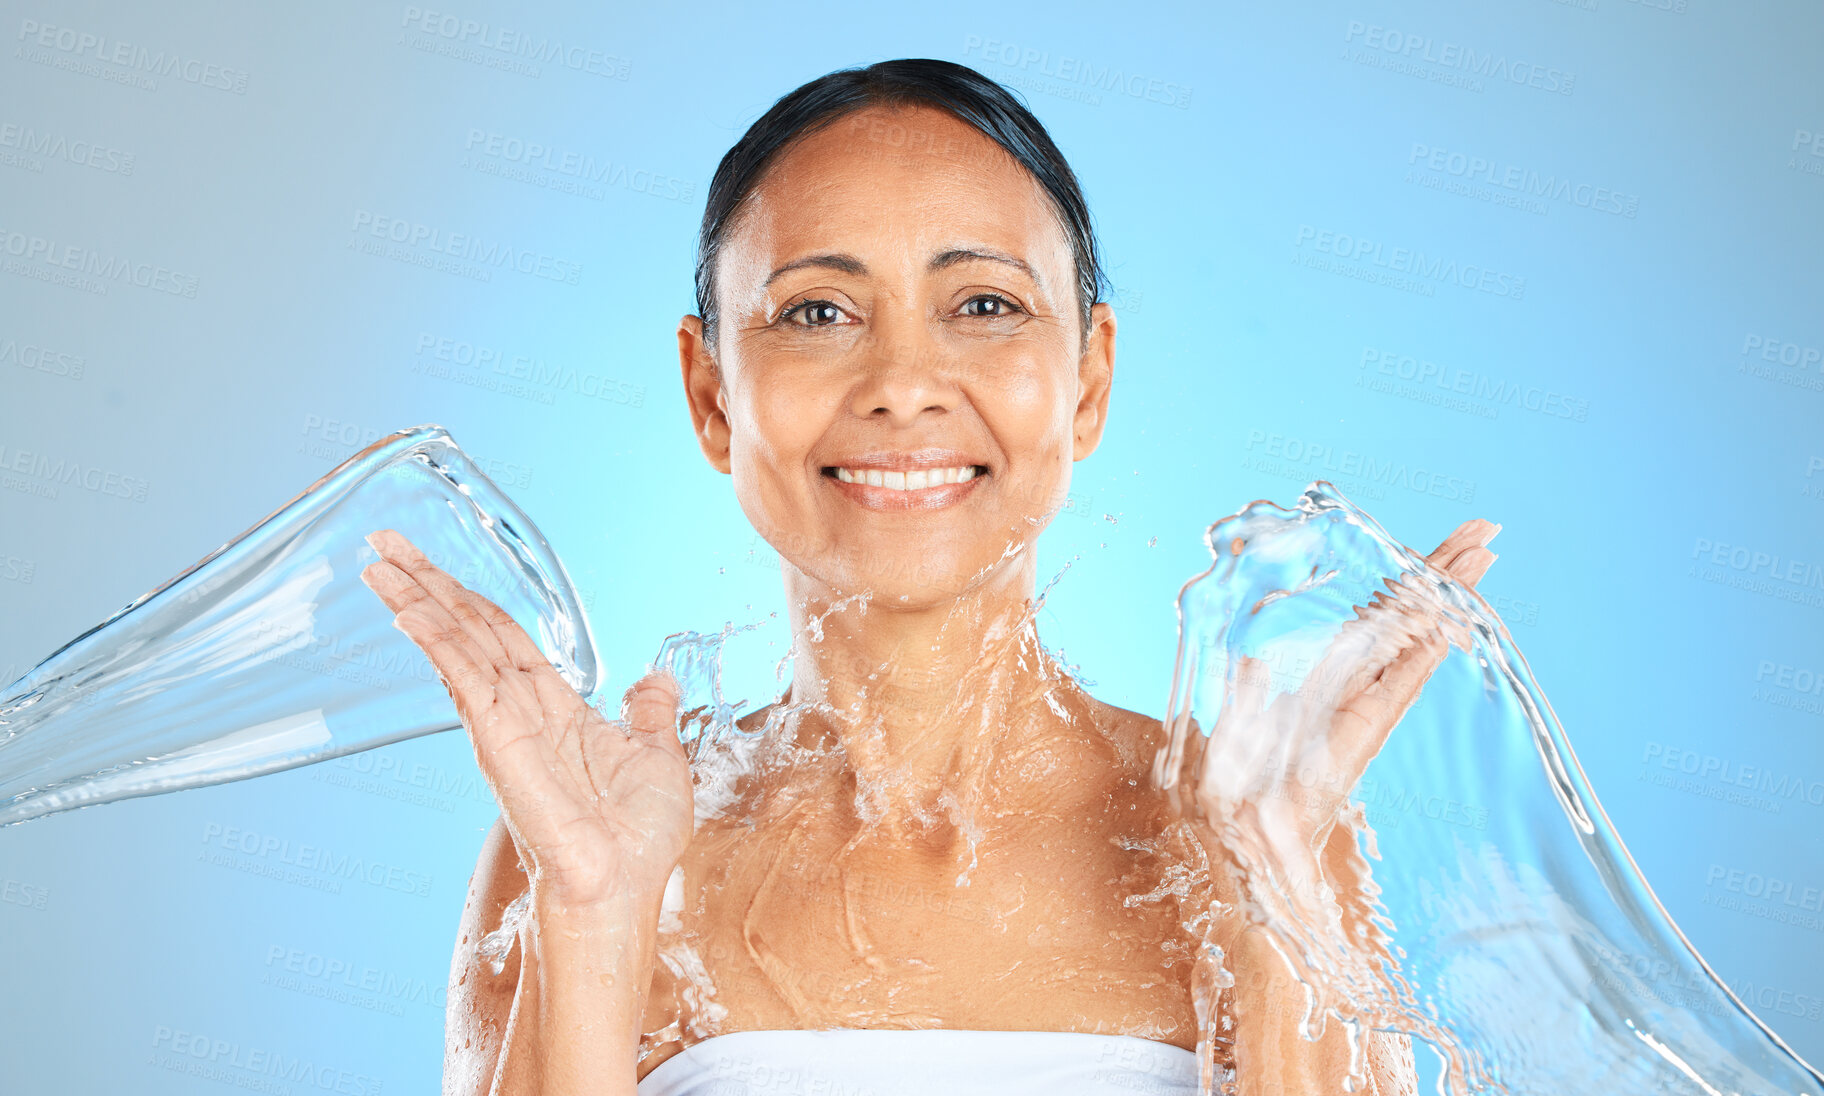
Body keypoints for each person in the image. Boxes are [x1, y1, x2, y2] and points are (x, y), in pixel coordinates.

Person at [359, 58, 1500, 1096]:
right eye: (818, 310)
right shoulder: (580, 838)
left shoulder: (1253, 826)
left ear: (1090, 378)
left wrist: (1270, 889)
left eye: (984, 306)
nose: (903, 382)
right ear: (712, 393)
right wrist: (596, 917)